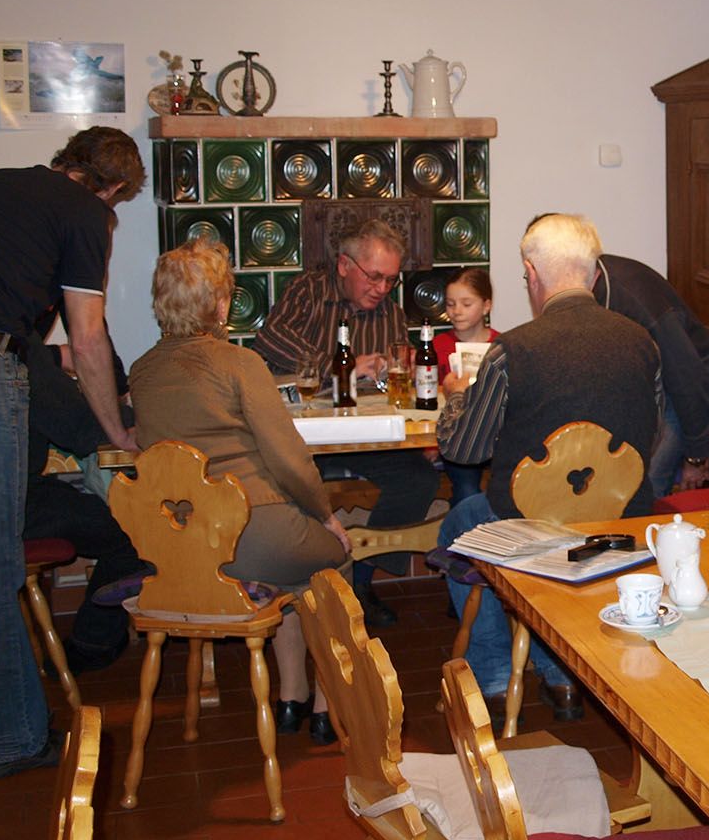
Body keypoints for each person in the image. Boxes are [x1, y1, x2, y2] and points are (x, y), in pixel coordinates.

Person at [0, 126, 142, 779]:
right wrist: (115, 431)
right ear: (112, 189)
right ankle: (15, 743)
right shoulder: (87, 213)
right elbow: (86, 341)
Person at [431, 214, 660, 720]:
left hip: (531, 533)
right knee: (512, 521)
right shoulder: (643, 343)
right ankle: (560, 672)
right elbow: (652, 433)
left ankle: (493, 669)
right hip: (619, 527)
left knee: (463, 517)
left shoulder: (511, 351)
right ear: (594, 276)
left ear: (532, 275)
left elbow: (465, 451)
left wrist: (454, 400)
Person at [131, 238, 350, 745]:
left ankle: (290, 695)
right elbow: (289, 459)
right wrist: (326, 516)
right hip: (253, 537)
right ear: (221, 304)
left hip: (188, 550)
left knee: (292, 571)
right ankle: (324, 703)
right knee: (332, 559)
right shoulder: (240, 364)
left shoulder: (141, 374)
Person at [252, 217, 438, 630]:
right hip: (307, 441)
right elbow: (269, 342)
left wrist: (391, 371)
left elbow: (399, 371)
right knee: (288, 486)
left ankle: (362, 579)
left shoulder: (389, 312)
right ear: (344, 265)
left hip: (363, 435)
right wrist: (346, 367)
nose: (382, 289)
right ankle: (305, 584)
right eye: (374, 277)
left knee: (419, 480)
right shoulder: (309, 291)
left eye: (391, 280)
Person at [22, 333, 146, 673]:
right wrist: (145, 414)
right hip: (15, 505)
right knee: (132, 529)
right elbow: (81, 429)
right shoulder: (20, 353)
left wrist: (50, 355)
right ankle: (93, 642)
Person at [592, 253, 709, 497]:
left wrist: (695, 456)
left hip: (684, 382)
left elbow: (688, 378)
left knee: (647, 484)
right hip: (653, 382)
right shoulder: (586, 283)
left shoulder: (636, 303)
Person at [433, 268, 499, 506]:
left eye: (466, 303)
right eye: (450, 304)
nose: (456, 311)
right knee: (467, 487)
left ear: (486, 306)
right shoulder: (437, 346)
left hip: (495, 436)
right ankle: (463, 532)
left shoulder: (501, 346)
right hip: (456, 436)